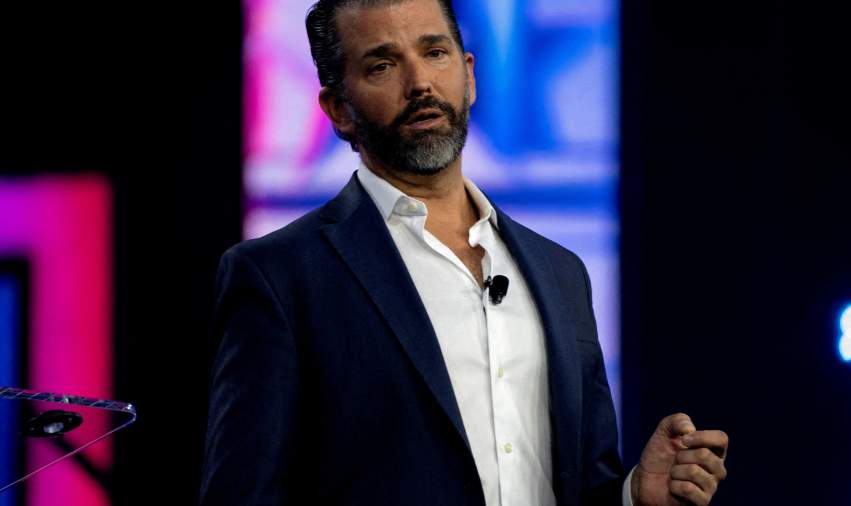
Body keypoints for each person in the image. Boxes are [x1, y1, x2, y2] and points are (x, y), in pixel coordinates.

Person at [199, 0, 729, 504]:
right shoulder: (280, 276)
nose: (420, 83)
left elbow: (581, 483)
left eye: (435, 52)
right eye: (383, 65)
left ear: (469, 75)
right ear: (339, 109)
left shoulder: (561, 272)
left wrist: (633, 497)